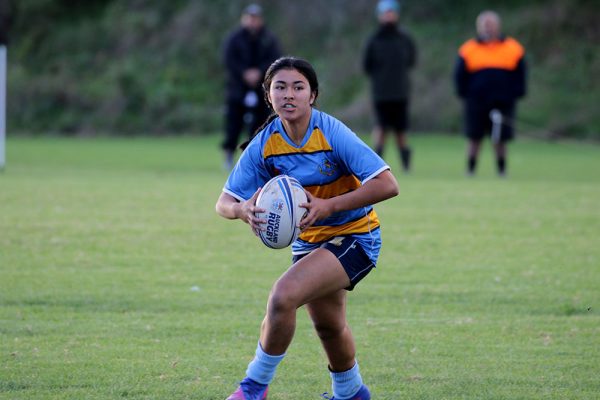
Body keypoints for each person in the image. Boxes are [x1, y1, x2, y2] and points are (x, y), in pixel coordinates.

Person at [216, 56, 399, 400]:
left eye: (298, 87)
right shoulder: (265, 143)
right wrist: (242, 210)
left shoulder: (331, 132)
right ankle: (352, 394)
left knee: (283, 297)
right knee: (328, 326)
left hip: (355, 236)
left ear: (312, 95)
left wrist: (328, 206)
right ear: (268, 96)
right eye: (280, 87)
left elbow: (388, 184)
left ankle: (253, 388)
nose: (289, 95)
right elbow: (223, 202)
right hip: (310, 243)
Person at [454, 10, 527, 177]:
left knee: (500, 139)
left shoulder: (513, 47)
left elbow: (521, 75)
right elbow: (459, 76)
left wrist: (515, 94)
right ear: (478, 27)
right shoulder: (469, 48)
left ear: (498, 26)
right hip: (476, 102)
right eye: (484, 25)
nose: (488, 28)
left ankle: (502, 171)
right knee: (474, 138)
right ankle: (470, 170)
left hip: (503, 102)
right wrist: (466, 94)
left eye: (491, 25)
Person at [221, 3, 282, 170]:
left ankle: (254, 157)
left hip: (261, 89)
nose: (252, 21)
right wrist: (244, 73)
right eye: (249, 18)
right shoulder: (234, 39)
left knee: (260, 124)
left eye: (256, 18)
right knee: (233, 123)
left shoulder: (268, 39)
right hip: (238, 88)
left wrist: (259, 73)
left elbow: (275, 60)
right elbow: (229, 60)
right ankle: (228, 154)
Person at [363, 0, 417, 172]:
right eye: (385, 13)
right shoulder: (373, 39)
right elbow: (367, 65)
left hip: (401, 93)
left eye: (391, 12)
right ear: (380, 16)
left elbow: (411, 60)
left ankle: (406, 166)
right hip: (381, 94)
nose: (388, 15)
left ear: (396, 14)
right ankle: (376, 167)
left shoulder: (404, 38)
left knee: (401, 131)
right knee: (381, 129)